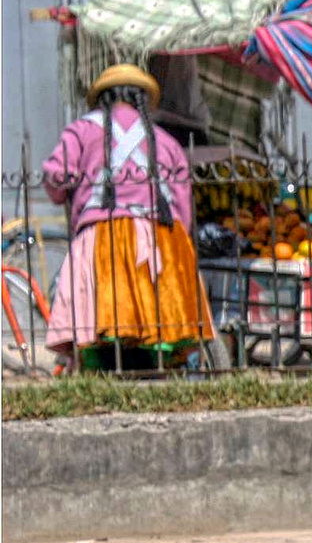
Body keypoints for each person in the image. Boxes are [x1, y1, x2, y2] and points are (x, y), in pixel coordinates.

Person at [42, 64, 214, 370]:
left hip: (104, 239)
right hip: (161, 239)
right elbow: (183, 204)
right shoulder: (166, 140)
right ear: (143, 101)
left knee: (106, 320)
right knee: (156, 322)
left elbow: (57, 179)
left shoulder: (80, 131)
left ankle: (106, 370)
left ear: (101, 100)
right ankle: (153, 369)